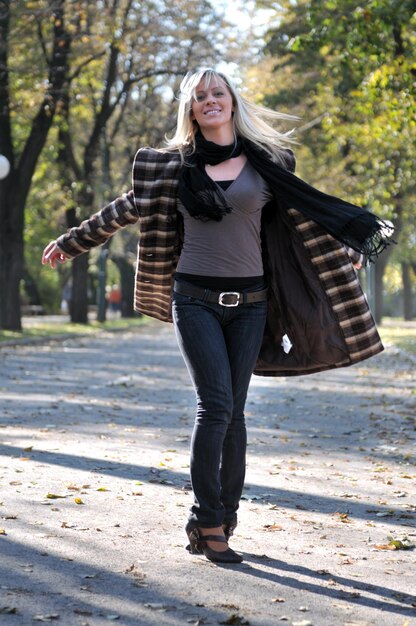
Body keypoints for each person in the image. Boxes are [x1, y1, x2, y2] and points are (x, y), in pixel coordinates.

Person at [42, 68, 391, 565]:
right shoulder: (168, 169)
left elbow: (305, 215)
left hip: (252, 304)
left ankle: (224, 515)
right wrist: (73, 241)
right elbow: (125, 208)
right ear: (191, 109)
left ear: (231, 102)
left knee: (236, 413)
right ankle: (209, 521)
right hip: (194, 300)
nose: (210, 101)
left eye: (217, 93)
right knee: (215, 406)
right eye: (200, 96)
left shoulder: (268, 165)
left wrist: (344, 248)